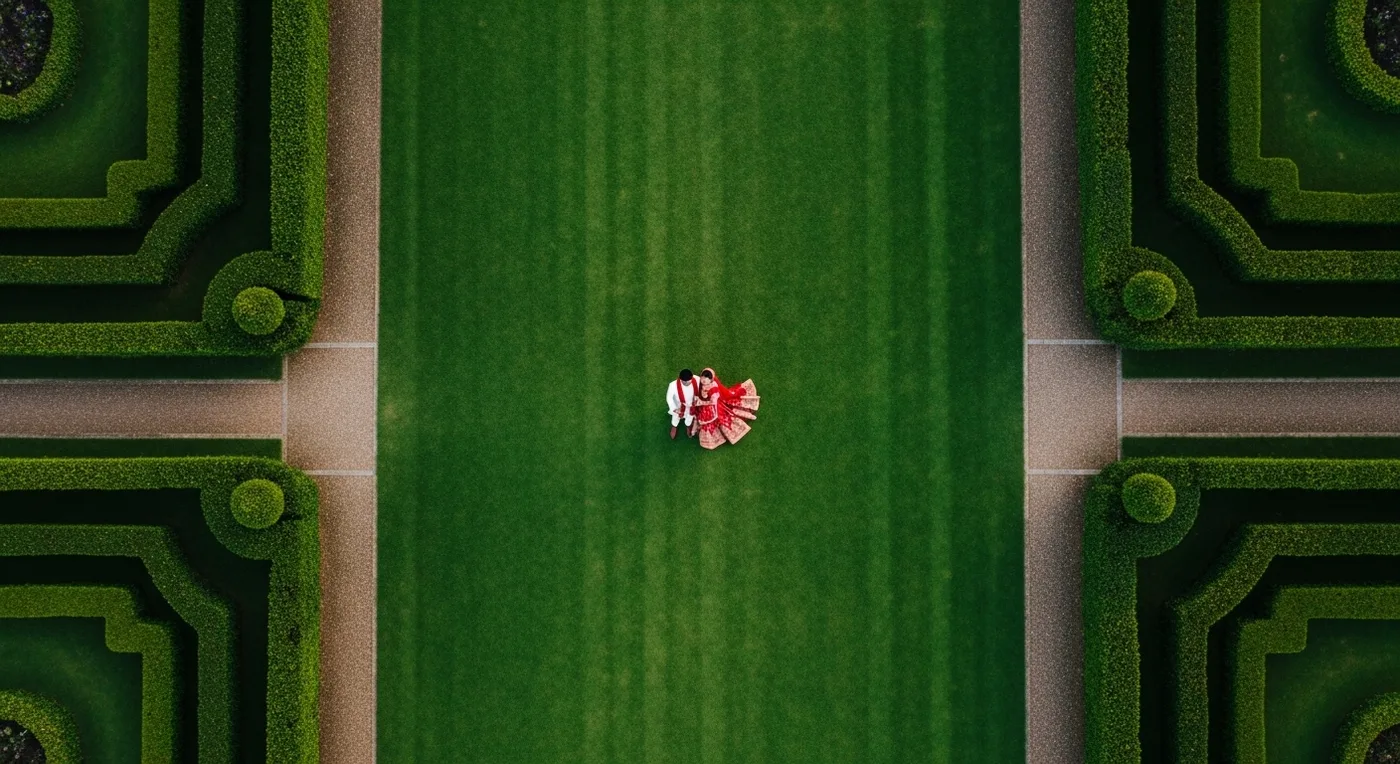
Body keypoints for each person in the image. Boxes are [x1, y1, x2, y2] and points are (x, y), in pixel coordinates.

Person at [689, 367, 760, 450]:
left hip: (714, 407)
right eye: (703, 377)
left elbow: (713, 402)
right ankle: (695, 432)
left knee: (725, 418)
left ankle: (749, 416)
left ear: (711, 379)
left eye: (707, 378)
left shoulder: (713, 388)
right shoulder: (702, 385)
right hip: (705, 408)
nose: (704, 380)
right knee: (701, 419)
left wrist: (701, 402)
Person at [666, 368, 700, 440]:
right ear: (680, 379)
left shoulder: (697, 379)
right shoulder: (673, 385)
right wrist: (674, 408)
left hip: (692, 405)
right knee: (676, 417)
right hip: (679, 406)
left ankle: (688, 426)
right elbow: (669, 398)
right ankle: (674, 426)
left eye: (689, 381)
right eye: (685, 382)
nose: (687, 383)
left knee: (690, 417)